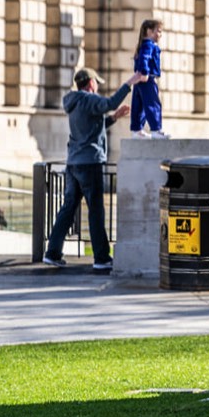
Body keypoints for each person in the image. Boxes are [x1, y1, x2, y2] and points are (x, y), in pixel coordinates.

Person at [42, 66, 145, 272]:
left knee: (68, 208)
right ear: (90, 83)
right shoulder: (89, 99)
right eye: (97, 82)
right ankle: (101, 258)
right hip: (90, 163)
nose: (97, 86)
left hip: (73, 163)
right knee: (96, 210)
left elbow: (91, 128)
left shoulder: (74, 102)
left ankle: (52, 253)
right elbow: (110, 102)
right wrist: (130, 83)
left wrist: (114, 118)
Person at [130, 19, 165, 137]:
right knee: (153, 103)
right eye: (158, 31)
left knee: (139, 105)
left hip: (139, 80)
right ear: (149, 31)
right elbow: (144, 59)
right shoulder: (149, 45)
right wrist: (144, 72)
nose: (160, 35)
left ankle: (137, 130)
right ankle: (156, 129)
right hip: (147, 78)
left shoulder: (142, 45)